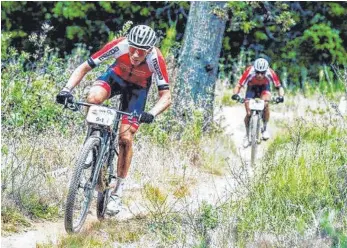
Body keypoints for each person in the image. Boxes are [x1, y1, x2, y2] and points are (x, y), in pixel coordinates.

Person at [56, 25, 172, 215]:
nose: (135, 54)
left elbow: (166, 96)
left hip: (137, 91)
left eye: (141, 51)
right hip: (115, 78)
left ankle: (117, 193)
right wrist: (66, 89)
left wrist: (151, 113)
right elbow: (85, 66)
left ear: (149, 50)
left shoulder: (155, 59)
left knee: (125, 139)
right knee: (92, 99)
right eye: (132, 48)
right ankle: (93, 142)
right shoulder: (119, 45)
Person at [231, 58, 284, 148]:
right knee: (248, 113)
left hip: (264, 88)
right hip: (251, 88)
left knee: (266, 104)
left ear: (266, 71)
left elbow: (279, 87)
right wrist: (235, 94)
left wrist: (281, 96)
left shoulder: (270, 72)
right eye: (257, 72)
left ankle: (264, 129)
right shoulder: (249, 71)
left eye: (262, 73)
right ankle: (247, 136)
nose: (260, 75)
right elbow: (239, 85)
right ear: (254, 69)